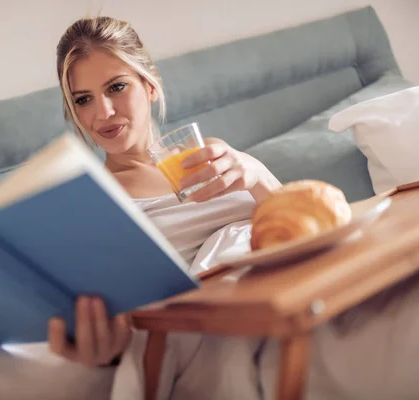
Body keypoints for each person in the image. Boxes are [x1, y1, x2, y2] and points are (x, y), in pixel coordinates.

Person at [48, 16, 419, 400]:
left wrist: (256, 174)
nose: (103, 112)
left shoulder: (209, 156)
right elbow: (121, 317)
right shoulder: (95, 202)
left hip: (306, 287)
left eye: (117, 87)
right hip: (231, 328)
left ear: (150, 84)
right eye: (83, 99)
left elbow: (309, 227)